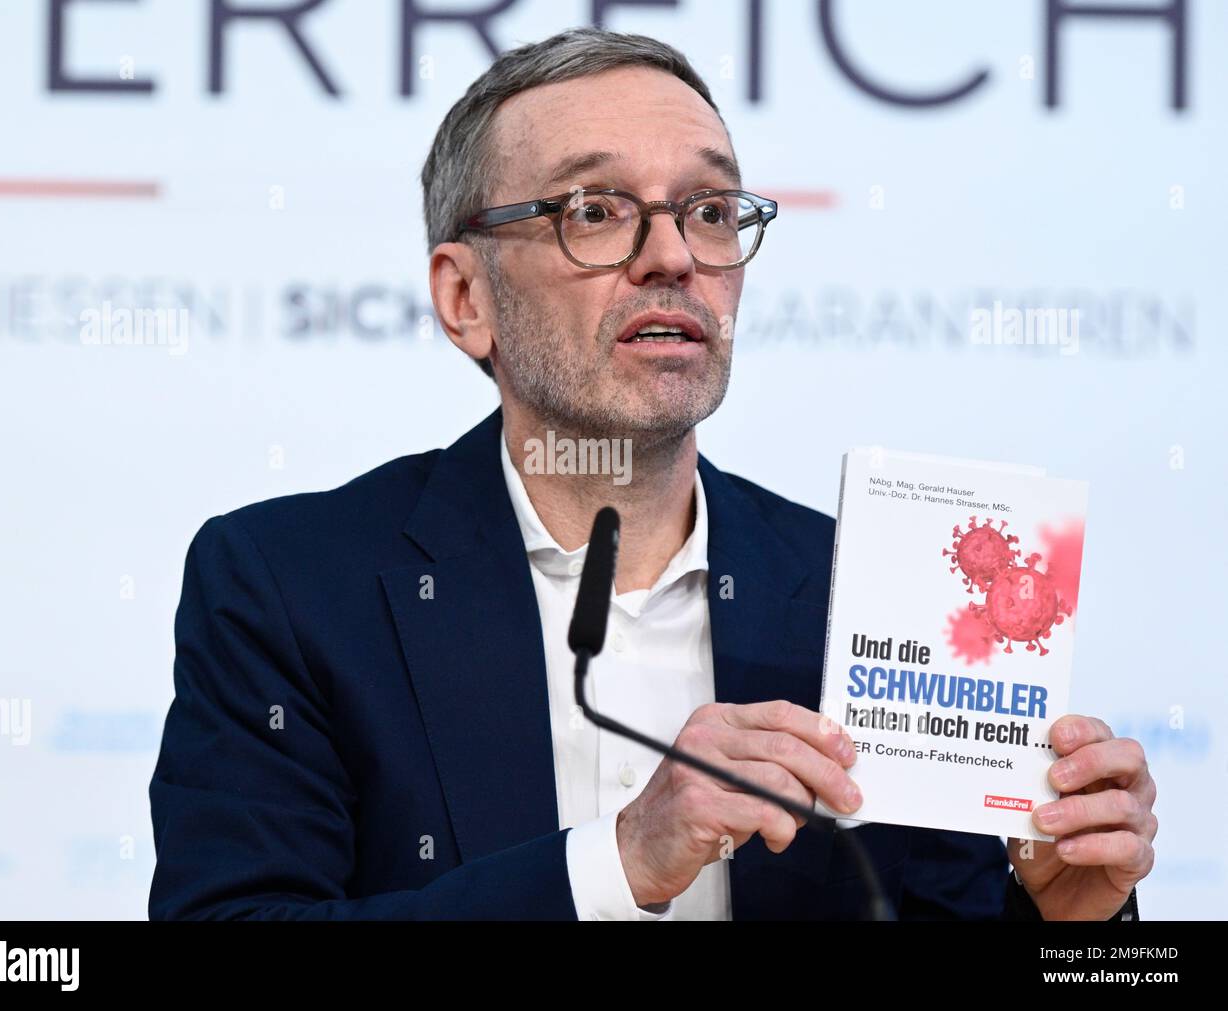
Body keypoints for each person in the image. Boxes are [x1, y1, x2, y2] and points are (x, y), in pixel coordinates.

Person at [148, 27, 1155, 921]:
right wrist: (618, 864)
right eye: (596, 209)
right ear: (465, 297)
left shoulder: (874, 597)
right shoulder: (290, 584)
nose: (671, 255)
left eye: (710, 210)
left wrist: (1062, 923)